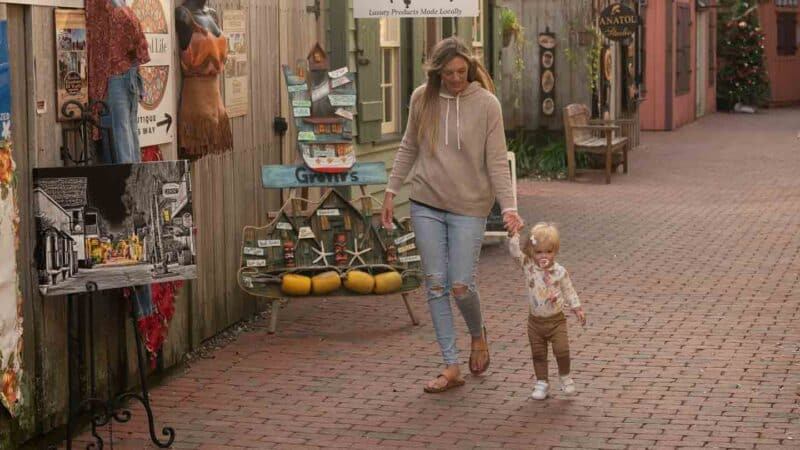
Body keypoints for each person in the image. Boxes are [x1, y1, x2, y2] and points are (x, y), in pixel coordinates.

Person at [381, 37, 523, 393]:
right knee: (435, 283)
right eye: (449, 73)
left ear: (469, 69)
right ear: (437, 72)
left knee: (461, 285)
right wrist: (390, 191)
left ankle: (477, 334)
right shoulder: (421, 98)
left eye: (461, 72)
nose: (456, 78)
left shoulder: (487, 105)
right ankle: (450, 365)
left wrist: (508, 208)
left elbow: (496, 161)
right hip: (426, 202)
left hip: (469, 207)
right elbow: (408, 147)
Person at [508, 222, 586, 400]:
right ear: (531, 252)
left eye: (549, 252)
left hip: (556, 321)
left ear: (555, 251)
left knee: (562, 350)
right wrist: (514, 235)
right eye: (538, 252)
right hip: (535, 322)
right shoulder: (528, 266)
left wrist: (577, 308)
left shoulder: (559, 271)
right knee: (538, 353)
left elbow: (568, 290)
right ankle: (542, 382)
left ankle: (565, 376)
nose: (544, 256)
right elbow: (514, 253)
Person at [175, 0, 233, 158]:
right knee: (191, 156)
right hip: (196, 104)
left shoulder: (213, 14)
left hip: (216, 104)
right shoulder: (183, 15)